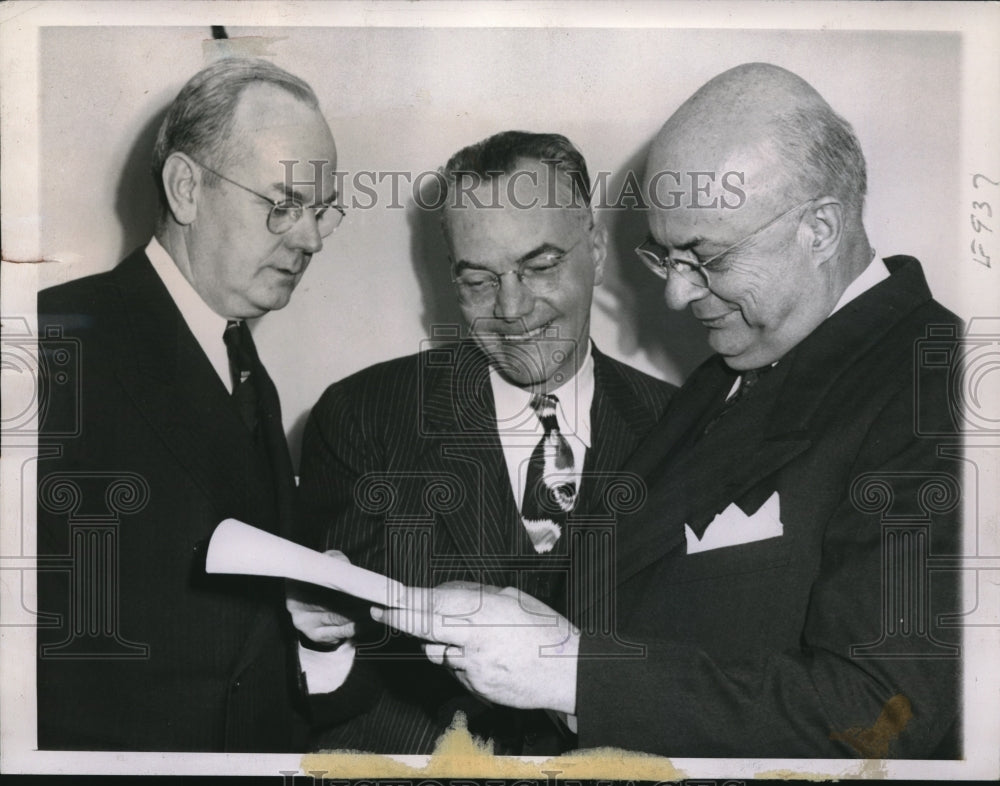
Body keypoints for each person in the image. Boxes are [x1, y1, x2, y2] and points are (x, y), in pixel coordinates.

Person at [376, 63, 964, 758]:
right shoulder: (727, 375)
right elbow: (628, 577)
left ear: (823, 229)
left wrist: (575, 677)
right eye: (665, 257)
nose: (679, 298)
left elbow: (883, 714)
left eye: (704, 258)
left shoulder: (936, 381)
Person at [291, 131, 677, 754]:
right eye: (478, 281)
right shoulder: (361, 418)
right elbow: (335, 680)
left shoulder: (683, 427)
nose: (513, 308)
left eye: (541, 266)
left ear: (598, 252)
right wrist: (318, 641)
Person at [36, 57, 352, 751]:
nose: (310, 239)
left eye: (321, 210)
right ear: (186, 188)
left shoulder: (244, 368)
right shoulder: (50, 343)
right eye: (283, 204)